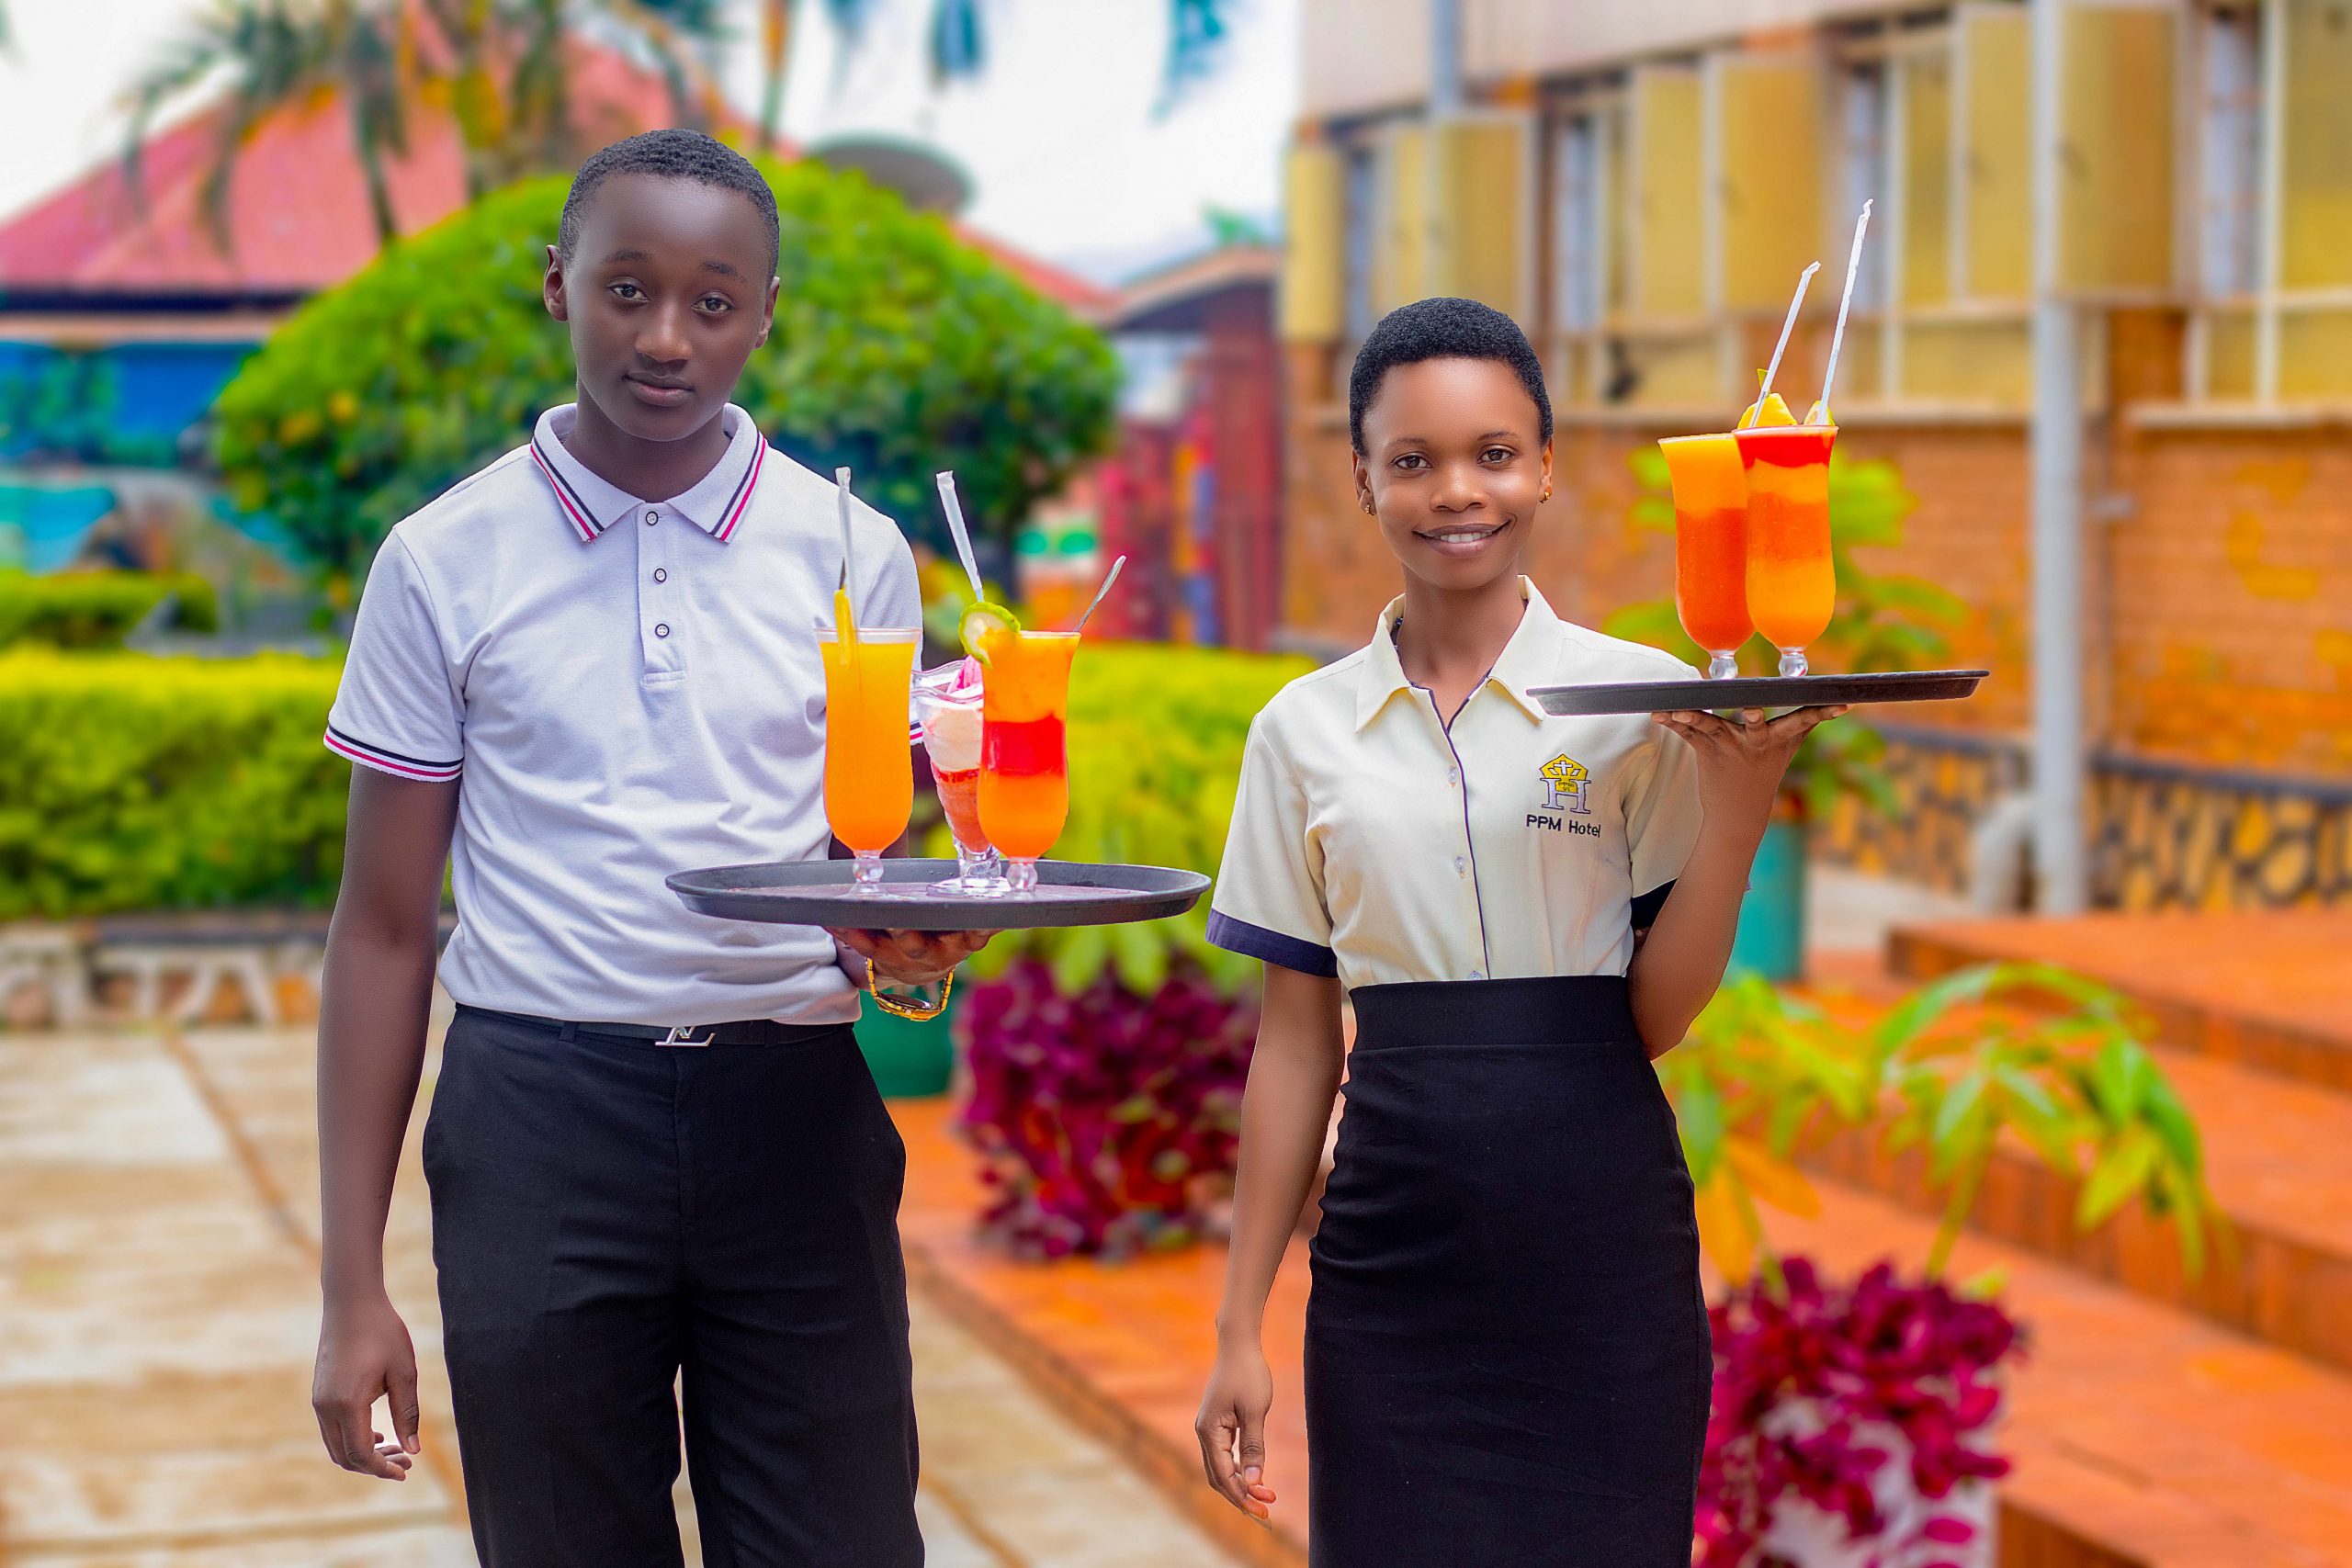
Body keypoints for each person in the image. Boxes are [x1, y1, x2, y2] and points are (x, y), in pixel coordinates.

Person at [307, 129, 983, 1567]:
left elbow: (873, 871)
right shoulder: (443, 560)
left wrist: (914, 959)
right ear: (559, 287)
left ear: (765, 311)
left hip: (793, 1113)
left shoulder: (851, 552)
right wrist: (350, 1282)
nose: (666, 336)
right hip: (537, 1125)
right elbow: (379, 928)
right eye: (626, 289)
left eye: (713, 300)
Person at [1192, 296, 1846, 1564]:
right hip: (1393, 1258)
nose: (1458, 492)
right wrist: (1238, 1327)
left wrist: (1739, 811)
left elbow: (1651, 1020)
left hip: (1600, 1248)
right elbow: (1294, 1050)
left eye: (1494, 454)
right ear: (1366, 479)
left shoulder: (1640, 705)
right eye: (1414, 460)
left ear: (1546, 466)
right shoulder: (1301, 732)